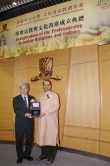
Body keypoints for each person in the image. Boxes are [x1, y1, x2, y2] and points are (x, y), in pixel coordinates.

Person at [36, 79, 59, 165]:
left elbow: (56, 106)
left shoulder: (54, 95)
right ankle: (44, 154)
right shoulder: (40, 95)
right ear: (43, 86)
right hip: (42, 120)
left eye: (48, 85)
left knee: (51, 137)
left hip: (51, 119)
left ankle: (51, 156)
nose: (46, 86)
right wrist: (34, 110)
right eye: (44, 85)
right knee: (43, 136)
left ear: (50, 86)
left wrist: (45, 113)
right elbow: (37, 106)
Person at [13, 83, 35, 164]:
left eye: (25, 88)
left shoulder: (32, 98)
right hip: (20, 122)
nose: (23, 90)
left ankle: (27, 154)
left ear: (28, 89)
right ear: (19, 89)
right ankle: (20, 156)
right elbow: (16, 110)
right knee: (19, 140)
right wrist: (25, 114)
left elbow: (34, 109)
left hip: (29, 122)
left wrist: (34, 111)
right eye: (21, 88)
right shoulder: (16, 99)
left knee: (29, 139)